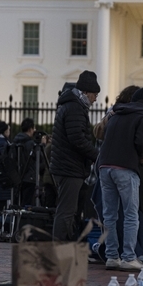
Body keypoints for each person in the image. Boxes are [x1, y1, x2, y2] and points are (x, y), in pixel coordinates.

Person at [98, 85, 143, 271]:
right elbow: (141, 141)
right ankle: (129, 257)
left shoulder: (118, 112)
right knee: (131, 214)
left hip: (105, 166)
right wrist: (142, 156)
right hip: (125, 167)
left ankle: (111, 256)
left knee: (110, 215)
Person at [50, 71, 99, 240]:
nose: (95, 99)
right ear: (86, 92)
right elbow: (77, 139)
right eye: (94, 94)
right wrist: (96, 155)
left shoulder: (70, 105)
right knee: (66, 212)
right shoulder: (75, 108)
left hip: (67, 166)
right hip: (69, 168)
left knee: (67, 211)